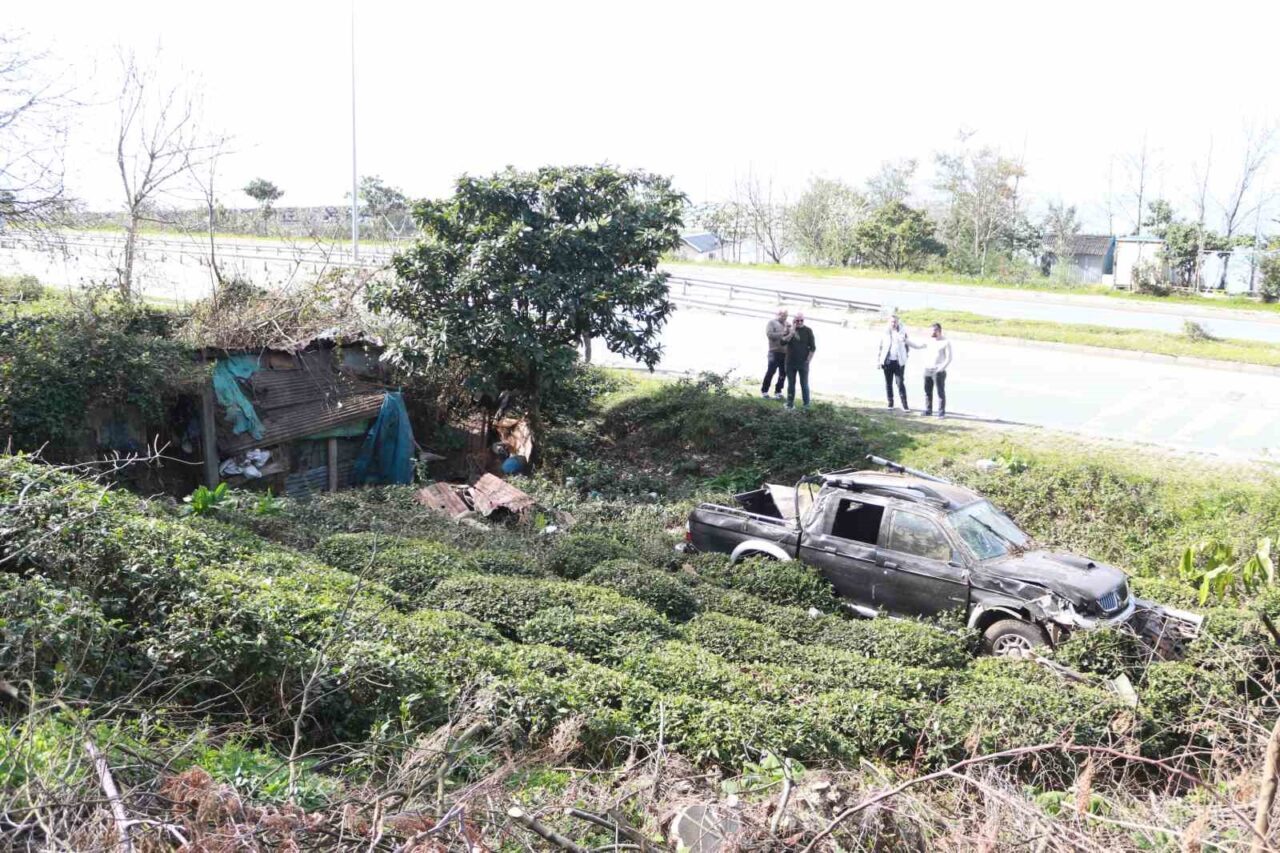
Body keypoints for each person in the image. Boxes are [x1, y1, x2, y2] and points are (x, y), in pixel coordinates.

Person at [876, 316, 911, 410]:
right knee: (888, 383)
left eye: (895, 322)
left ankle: (905, 405)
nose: (893, 323)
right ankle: (890, 403)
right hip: (887, 362)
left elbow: (907, 346)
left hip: (899, 363)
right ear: (889, 322)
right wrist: (879, 361)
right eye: (891, 322)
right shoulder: (885, 333)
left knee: (900, 383)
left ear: (898, 322)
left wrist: (905, 357)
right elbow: (880, 347)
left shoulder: (903, 333)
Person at [783, 312, 816, 409]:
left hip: (803, 363)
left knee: (804, 384)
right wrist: (791, 333)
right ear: (794, 321)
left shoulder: (808, 331)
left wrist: (808, 360)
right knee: (791, 384)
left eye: (802, 320)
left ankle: (806, 405)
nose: (800, 322)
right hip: (790, 362)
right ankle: (790, 404)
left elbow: (813, 347)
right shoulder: (789, 330)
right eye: (797, 320)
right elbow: (782, 342)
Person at [918, 322, 952, 417]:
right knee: (927, 391)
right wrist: (905, 340)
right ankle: (928, 411)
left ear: (938, 331)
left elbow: (949, 358)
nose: (931, 333)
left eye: (932, 331)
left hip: (938, 371)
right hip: (927, 369)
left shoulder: (945, 342)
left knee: (940, 392)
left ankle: (941, 413)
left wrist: (941, 368)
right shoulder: (929, 341)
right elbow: (917, 346)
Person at [760, 308, 788, 400]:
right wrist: (782, 333)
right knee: (771, 371)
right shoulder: (771, 323)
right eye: (783, 315)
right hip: (774, 352)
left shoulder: (787, 324)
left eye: (786, 316)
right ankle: (764, 391)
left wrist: (790, 330)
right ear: (778, 314)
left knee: (783, 373)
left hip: (785, 353)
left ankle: (778, 391)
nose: (784, 317)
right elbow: (770, 335)